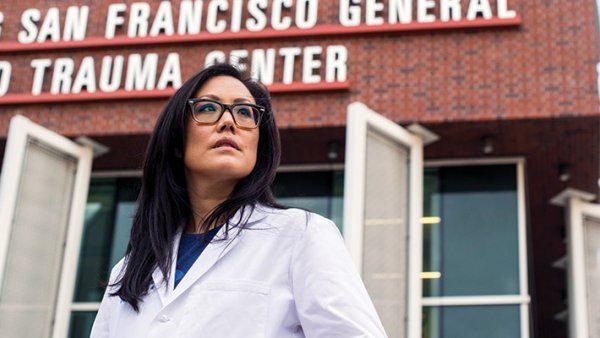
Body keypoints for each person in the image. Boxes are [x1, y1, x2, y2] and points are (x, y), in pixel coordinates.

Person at [90, 63, 387, 338]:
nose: (229, 121)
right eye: (208, 108)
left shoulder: (301, 235)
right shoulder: (129, 270)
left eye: (245, 113)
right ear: (177, 142)